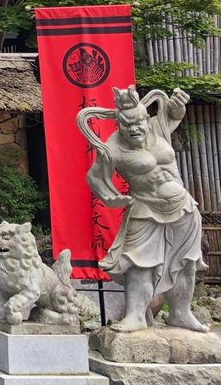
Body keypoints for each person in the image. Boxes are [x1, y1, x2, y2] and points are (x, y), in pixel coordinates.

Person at [79, 85, 208, 333]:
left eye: (138, 122)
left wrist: (178, 104)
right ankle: (136, 315)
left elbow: (174, 114)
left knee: (186, 262)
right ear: (118, 124)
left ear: (145, 118)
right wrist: (112, 197)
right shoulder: (113, 147)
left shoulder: (157, 127)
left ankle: (181, 313)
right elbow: (94, 177)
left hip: (183, 206)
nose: (135, 128)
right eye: (127, 125)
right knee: (140, 263)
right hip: (144, 207)